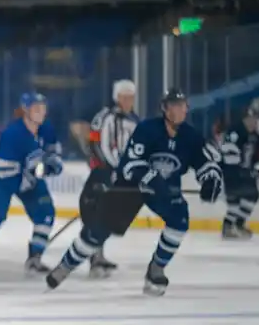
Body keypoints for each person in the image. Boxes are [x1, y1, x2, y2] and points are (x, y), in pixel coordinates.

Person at [46, 89, 223, 296]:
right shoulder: (147, 129)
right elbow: (129, 163)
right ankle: (66, 265)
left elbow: (204, 164)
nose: (179, 110)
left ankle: (156, 269)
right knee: (100, 230)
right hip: (131, 186)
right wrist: (150, 178)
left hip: (165, 191)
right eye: (174, 106)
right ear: (165, 109)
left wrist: (210, 180)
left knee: (179, 221)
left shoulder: (191, 136)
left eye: (182, 106)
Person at [0, 93, 63, 277]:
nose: (41, 112)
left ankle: (34, 259)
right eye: (36, 108)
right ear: (26, 111)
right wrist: (33, 174)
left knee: (45, 213)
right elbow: (4, 171)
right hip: (2, 179)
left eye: (43, 108)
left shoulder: (47, 129)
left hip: (29, 177)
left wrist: (49, 167)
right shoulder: (12, 134)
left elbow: (54, 157)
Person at [82, 80, 140, 277]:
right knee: (95, 212)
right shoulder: (105, 117)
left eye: (131, 96)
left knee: (109, 215)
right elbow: (96, 144)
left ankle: (99, 255)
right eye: (124, 96)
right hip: (103, 173)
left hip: (121, 175)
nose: (128, 100)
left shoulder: (134, 120)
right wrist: (110, 169)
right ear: (117, 97)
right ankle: (94, 258)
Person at [219, 110, 259, 239]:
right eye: (252, 118)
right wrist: (239, 170)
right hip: (231, 172)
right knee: (234, 200)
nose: (255, 122)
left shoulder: (255, 136)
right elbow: (228, 155)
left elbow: (255, 156)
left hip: (245, 173)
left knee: (252, 195)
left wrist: (252, 169)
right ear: (245, 119)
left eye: (256, 119)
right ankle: (228, 226)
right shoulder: (234, 132)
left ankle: (238, 224)